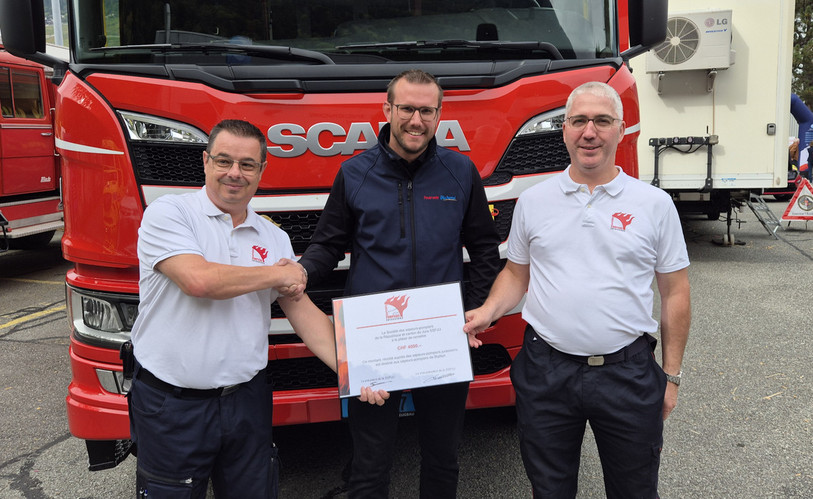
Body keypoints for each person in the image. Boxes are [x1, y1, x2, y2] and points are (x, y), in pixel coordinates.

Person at [128, 119, 386, 499]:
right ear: (205, 162)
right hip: (171, 405)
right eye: (224, 161)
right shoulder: (169, 214)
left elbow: (304, 315)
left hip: (245, 403)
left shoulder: (274, 237)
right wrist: (275, 274)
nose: (235, 173)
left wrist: (357, 370)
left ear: (262, 170)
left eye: (248, 164)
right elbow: (199, 281)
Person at [464, 82, 691, 498]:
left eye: (602, 121)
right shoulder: (533, 201)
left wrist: (672, 376)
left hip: (628, 372)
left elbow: (675, 292)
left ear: (621, 130)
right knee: (549, 490)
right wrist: (488, 310)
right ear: (564, 130)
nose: (590, 132)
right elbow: (516, 274)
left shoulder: (654, 204)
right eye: (579, 121)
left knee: (635, 490)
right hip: (546, 371)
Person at [299, 69, 501, 498]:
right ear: (387, 109)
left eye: (427, 111)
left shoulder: (460, 172)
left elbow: (485, 250)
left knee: (443, 458)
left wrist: (474, 310)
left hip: (441, 339)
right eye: (407, 108)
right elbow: (327, 246)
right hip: (373, 344)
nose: (416, 120)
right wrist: (298, 274)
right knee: (371, 464)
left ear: (439, 114)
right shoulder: (354, 173)